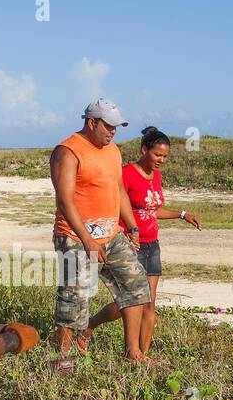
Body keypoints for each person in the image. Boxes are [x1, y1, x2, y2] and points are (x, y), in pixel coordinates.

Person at [77, 125, 202, 356]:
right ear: (144, 149)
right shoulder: (125, 173)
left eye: (165, 156)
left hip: (152, 245)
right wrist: (124, 231)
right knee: (128, 302)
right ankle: (89, 326)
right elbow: (114, 205)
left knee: (149, 304)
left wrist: (182, 215)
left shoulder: (156, 177)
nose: (161, 160)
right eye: (157, 155)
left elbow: (153, 210)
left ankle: (140, 355)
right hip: (128, 244)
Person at [49, 99, 153, 371]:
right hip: (74, 236)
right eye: (108, 126)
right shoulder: (68, 151)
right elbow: (66, 201)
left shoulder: (113, 151)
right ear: (91, 122)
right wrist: (87, 240)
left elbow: (118, 190)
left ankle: (133, 353)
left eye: (117, 127)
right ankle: (64, 361)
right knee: (75, 298)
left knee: (136, 287)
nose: (113, 132)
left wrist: (131, 227)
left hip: (112, 234)